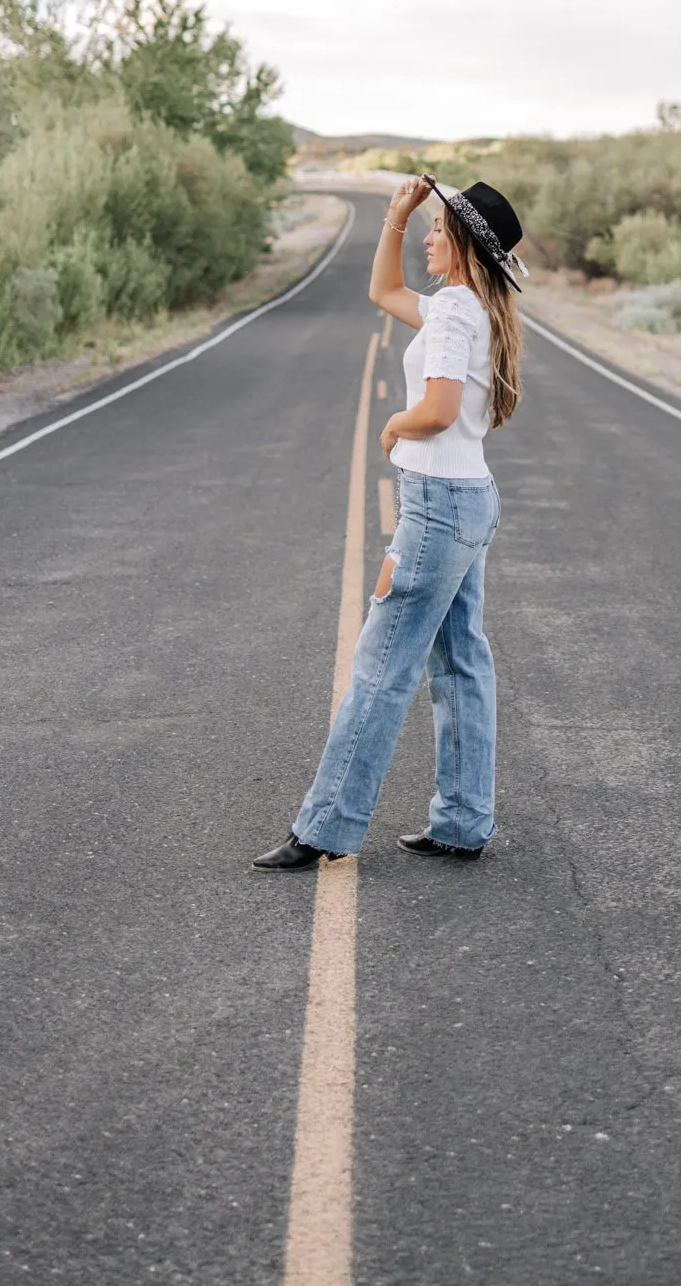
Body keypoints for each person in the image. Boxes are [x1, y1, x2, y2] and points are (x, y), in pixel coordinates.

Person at [253, 174, 528, 869]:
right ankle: (464, 822)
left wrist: (391, 427)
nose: (429, 238)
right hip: (472, 498)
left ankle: (325, 826)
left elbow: (433, 411)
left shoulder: (451, 313)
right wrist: (396, 221)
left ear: (464, 244)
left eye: (438, 229)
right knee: (462, 661)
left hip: (436, 506)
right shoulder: (473, 309)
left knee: (381, 667)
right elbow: (381, 293)